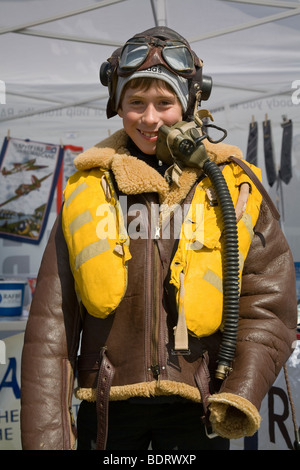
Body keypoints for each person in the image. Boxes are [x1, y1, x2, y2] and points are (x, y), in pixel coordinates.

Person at [20, 26, 297, 451]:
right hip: (108, 409)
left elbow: (269, 303)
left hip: (199, 408)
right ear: (117, 105)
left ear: (189, 103)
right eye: (136, 103)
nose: (150, 119)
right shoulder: (88, 190)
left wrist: (240, 391)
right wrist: (46, 439)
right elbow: (51, 328)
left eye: (165, 103)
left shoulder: (235, 187)